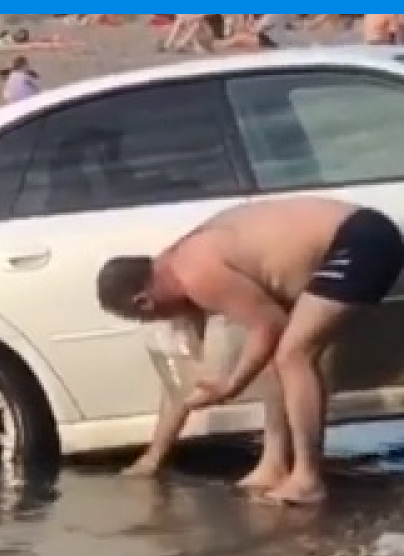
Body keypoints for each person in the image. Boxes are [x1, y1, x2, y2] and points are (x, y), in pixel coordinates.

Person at [96, 197, 404, 505]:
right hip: (349, 236)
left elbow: (268, 325)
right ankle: (274, 463)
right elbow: (182, 381)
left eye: (148, 318)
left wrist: (230, 386)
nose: (163, 321)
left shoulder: (196, 274)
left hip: (360, 240)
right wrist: (153, 457)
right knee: (275, 359)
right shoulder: (172, 268)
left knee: (294, 355)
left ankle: (308, 478)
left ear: (144, 301)